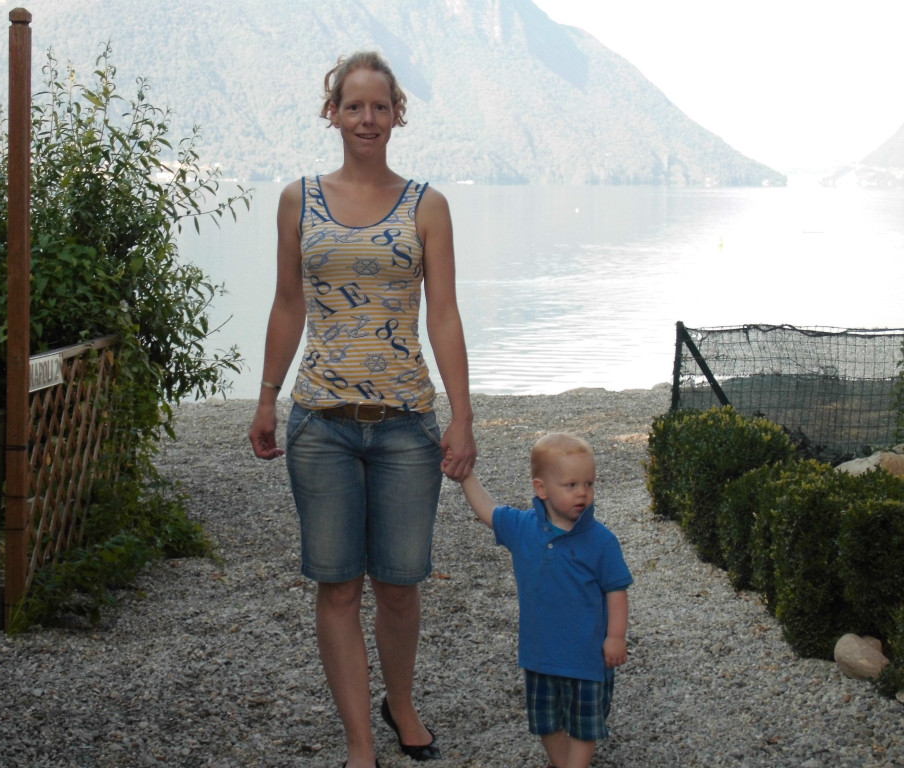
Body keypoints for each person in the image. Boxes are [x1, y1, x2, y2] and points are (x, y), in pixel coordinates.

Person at [248, 51, 477, 768]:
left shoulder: (427, 206)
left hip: (407, 424)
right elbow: (288, 303)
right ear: (334, 113)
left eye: (380, 107)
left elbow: (444, 315)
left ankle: (400, 704)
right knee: (338, 586)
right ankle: (359, 742)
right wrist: (266, 397)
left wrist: (462, 415)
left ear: (397, 115)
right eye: (355, 106)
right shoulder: (298, 200)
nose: (367, 119)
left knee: (401, 585)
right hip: (320, 422)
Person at [450, 433, 631, 768]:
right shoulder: (523, 528)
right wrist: (466, 476)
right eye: (571, 485)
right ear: (541, 488)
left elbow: (616, 592)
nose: (583, 493)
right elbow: (488, 510)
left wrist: (615, 637)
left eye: (589, 484)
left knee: (584, 727)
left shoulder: (602, 541)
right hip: (539, 657)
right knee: (546, 722)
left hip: (587, 659)